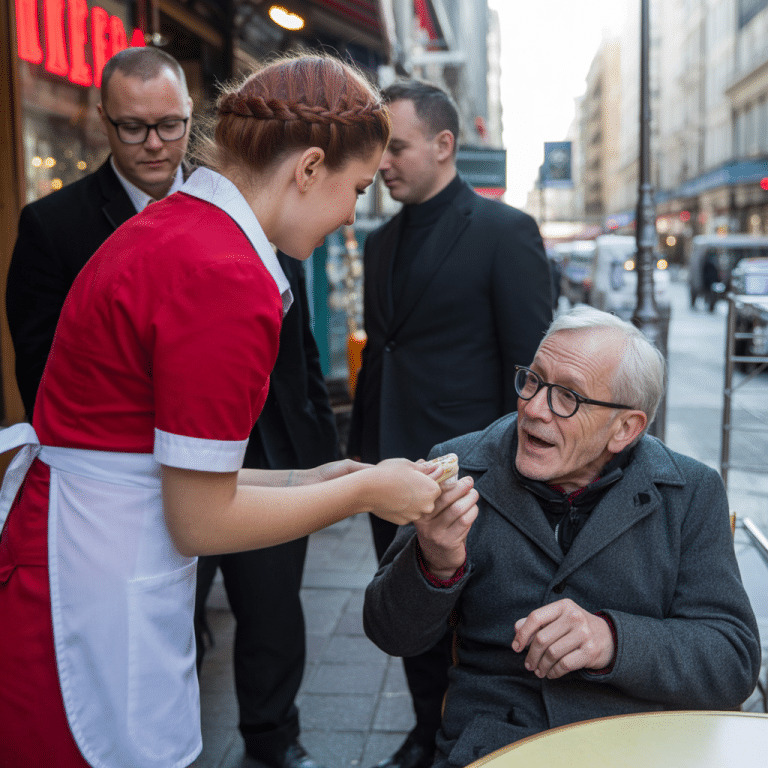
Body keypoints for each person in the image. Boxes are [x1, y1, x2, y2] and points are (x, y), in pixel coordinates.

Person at [0, 54, 456, 768]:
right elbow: (200, 517)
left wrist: (323, 476)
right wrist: (363, 492)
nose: (349, 217)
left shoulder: (182, 229)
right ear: (308, 168)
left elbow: (184, 476)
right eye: (356, 190)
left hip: (79, 539)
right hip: (98, 570)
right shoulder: (224, 271)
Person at [363, 306, 761, 768]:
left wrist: (611, 639)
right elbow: (389, 632)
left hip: (643, 741)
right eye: (533, 380)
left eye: (567, 397)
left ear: (625, 428)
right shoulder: (458, 468)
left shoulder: (689, 492)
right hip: (501, 743)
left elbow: (732, 660)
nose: (533, 409)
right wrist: (434, 562)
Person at [347, 79, 553, 768]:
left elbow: (531, 367)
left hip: (467, 473)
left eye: (396, 147)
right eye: (379, 149)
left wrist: (517, 476)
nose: (382, 164)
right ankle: (421, 727)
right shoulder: (378, 242)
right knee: (402, 609)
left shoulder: (506, 231)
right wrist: (362, 456)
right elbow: (385, 351)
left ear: (444, 144)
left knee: (473, 619)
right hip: (385, 463)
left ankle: (460, 735)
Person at [194, 250, 339, 768]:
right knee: (175, 612)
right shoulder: (163, 242)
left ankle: (273, 738)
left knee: (273, 609)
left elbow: (304, 360)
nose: (347, 214)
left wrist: (324, 459)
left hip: (275, 448)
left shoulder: (283, 247)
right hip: (178, 459)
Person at [6, 46, 193, 420]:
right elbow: (43, 381)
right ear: (103, 119)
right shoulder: (51, 226)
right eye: (133, 128)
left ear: (190, 109)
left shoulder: (230, 201)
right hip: (110, 463)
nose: (154, 144)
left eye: (170, 125)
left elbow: (294, 356)